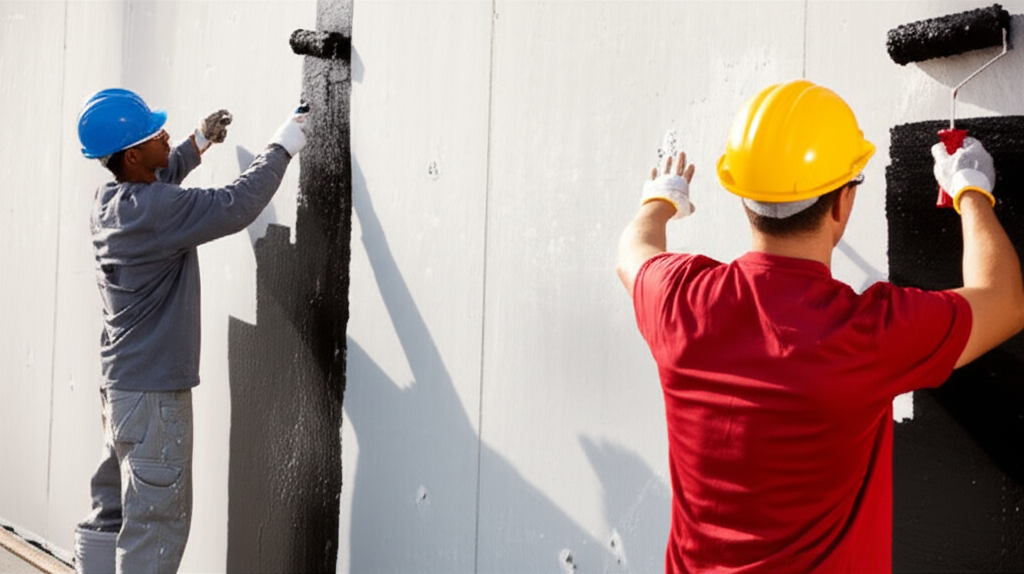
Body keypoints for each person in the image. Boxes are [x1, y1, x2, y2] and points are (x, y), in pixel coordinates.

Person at [616, 79, 1024, 572]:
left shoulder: (679, 299)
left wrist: (660, 199)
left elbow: (633, 254)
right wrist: (971, 190)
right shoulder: (865, 333)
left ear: (745, 199)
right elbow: (1003, 301)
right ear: (841, 204)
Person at [73, 88, 309, 574]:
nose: (166, 134)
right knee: (154, 528)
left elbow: (158, 180)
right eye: (156, 134)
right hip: (155, 398)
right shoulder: (158, 211)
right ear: (133, 155)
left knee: (111, 511)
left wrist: (196, 143)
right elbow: (235, 204)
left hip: (120, 392)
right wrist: (283, 145)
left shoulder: (109, 201)